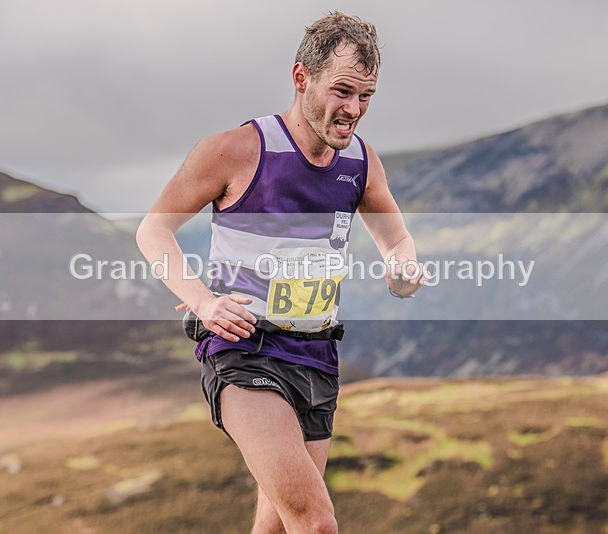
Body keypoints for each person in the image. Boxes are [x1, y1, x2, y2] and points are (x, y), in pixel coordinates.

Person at [137, 12, 425, 534]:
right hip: (246, 352)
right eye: (342, 91)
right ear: (301, 78)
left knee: (275, 527)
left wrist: (401, 269)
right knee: (315, 523)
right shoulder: (235, 151)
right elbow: (153, 232)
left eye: (366, 96)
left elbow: (396, 240)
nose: (353, 110)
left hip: (317, 357)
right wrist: (202, 300)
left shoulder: (360, 163)